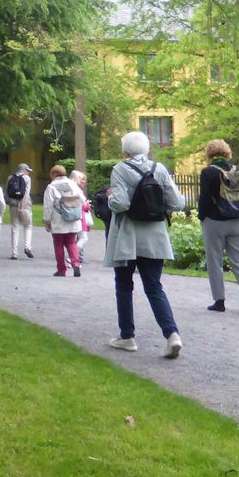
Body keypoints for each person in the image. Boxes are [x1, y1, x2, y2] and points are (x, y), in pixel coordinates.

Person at [104, 131, 185, 358]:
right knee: (154, 286)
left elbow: (120, 203)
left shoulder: (120, 169)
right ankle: (172, 334)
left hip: (127, 237)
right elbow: (178, 202)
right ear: (147, 148)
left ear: (125, 150)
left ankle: (127, 336)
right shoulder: (159, 169)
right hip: (154, 236)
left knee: (124, 285)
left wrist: (110, 198)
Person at [198, 139, 239, 315]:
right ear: (227, 153)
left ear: (209, 153)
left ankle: (219, 301)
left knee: (214, 261)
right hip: (238, 222)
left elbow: (205, 199)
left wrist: (202, 217)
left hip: (215, 221)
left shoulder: (208, 172)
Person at [43, 165, 85, 276]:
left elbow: (48, 207)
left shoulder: (51, 187)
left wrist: (47, 221)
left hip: (58, 220)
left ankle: (61, 270)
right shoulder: (73, 185)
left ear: (54, 174)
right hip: (73, 220)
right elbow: (82, 200)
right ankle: (76, 264)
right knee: (72, 243)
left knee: (58, 245)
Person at [7, 163, 35, 260]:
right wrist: (22, 206)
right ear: (24, 170)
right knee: (28, 226)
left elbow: (9, 193)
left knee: (15, 228)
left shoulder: (10, 178)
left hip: (13, 206)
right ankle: (27, 247)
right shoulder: (27, 179)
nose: (28, 172)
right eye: (28, 170)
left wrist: (12, 204)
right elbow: (26, 193)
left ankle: (14, 253)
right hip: (25, 206)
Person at [71, 170, 91, 266]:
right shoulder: (76, 190)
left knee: (76, 238)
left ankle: (75, 258)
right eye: (81, 179)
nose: (83, 181)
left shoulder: (70, 188)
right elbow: (80, 204)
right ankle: (73, 257)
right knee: (83, 238)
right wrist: (86, 205)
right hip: (79, 217)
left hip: (76, 216)